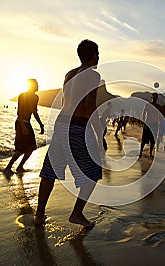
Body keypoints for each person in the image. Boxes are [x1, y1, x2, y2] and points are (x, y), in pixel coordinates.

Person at [35, 39, 104, 228]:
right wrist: (100, 135)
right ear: (92, 54)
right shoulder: (93, 75)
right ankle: (77, 213)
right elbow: (90, 106)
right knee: (94, 172)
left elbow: (68, 101)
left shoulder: (69, 74)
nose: (99, 57)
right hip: (78, 127)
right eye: (97, 53)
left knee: (50, 171)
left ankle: (39, 215)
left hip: (61, 124)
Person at [4, 79, 44, 174]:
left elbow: (34, 112)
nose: (38, 86)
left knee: (31, 147)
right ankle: (8, 167)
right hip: (20, 123)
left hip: (27, 123)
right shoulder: (22, 95)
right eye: (36, 85)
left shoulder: (35, 97)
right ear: (32, 86)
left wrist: (41, 124)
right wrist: (22, 126)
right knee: (20, 148)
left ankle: (20, 167)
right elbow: (19, 112)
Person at [139, 93, 161, 158]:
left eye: (156, 97)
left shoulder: (158, 106)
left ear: (157, 98)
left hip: (155, 124)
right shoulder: (148, 105)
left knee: (153, 140)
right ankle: (140, 152)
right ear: (152, 97)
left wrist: (159, 124)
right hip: (148, 123)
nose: (155, 98)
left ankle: (150, 153)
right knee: (144, 139)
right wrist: (144, 123)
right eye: (154, 97)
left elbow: (160, 116)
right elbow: (143, 114)